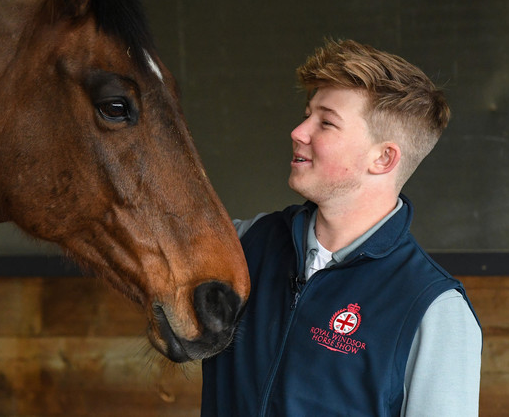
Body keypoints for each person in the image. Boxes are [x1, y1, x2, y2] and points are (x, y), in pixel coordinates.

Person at [201, 39, 482, 416]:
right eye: (307, 115)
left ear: (383, 158)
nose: (299, 132)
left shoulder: (435, 309)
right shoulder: (242, 244)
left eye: (326, 122)